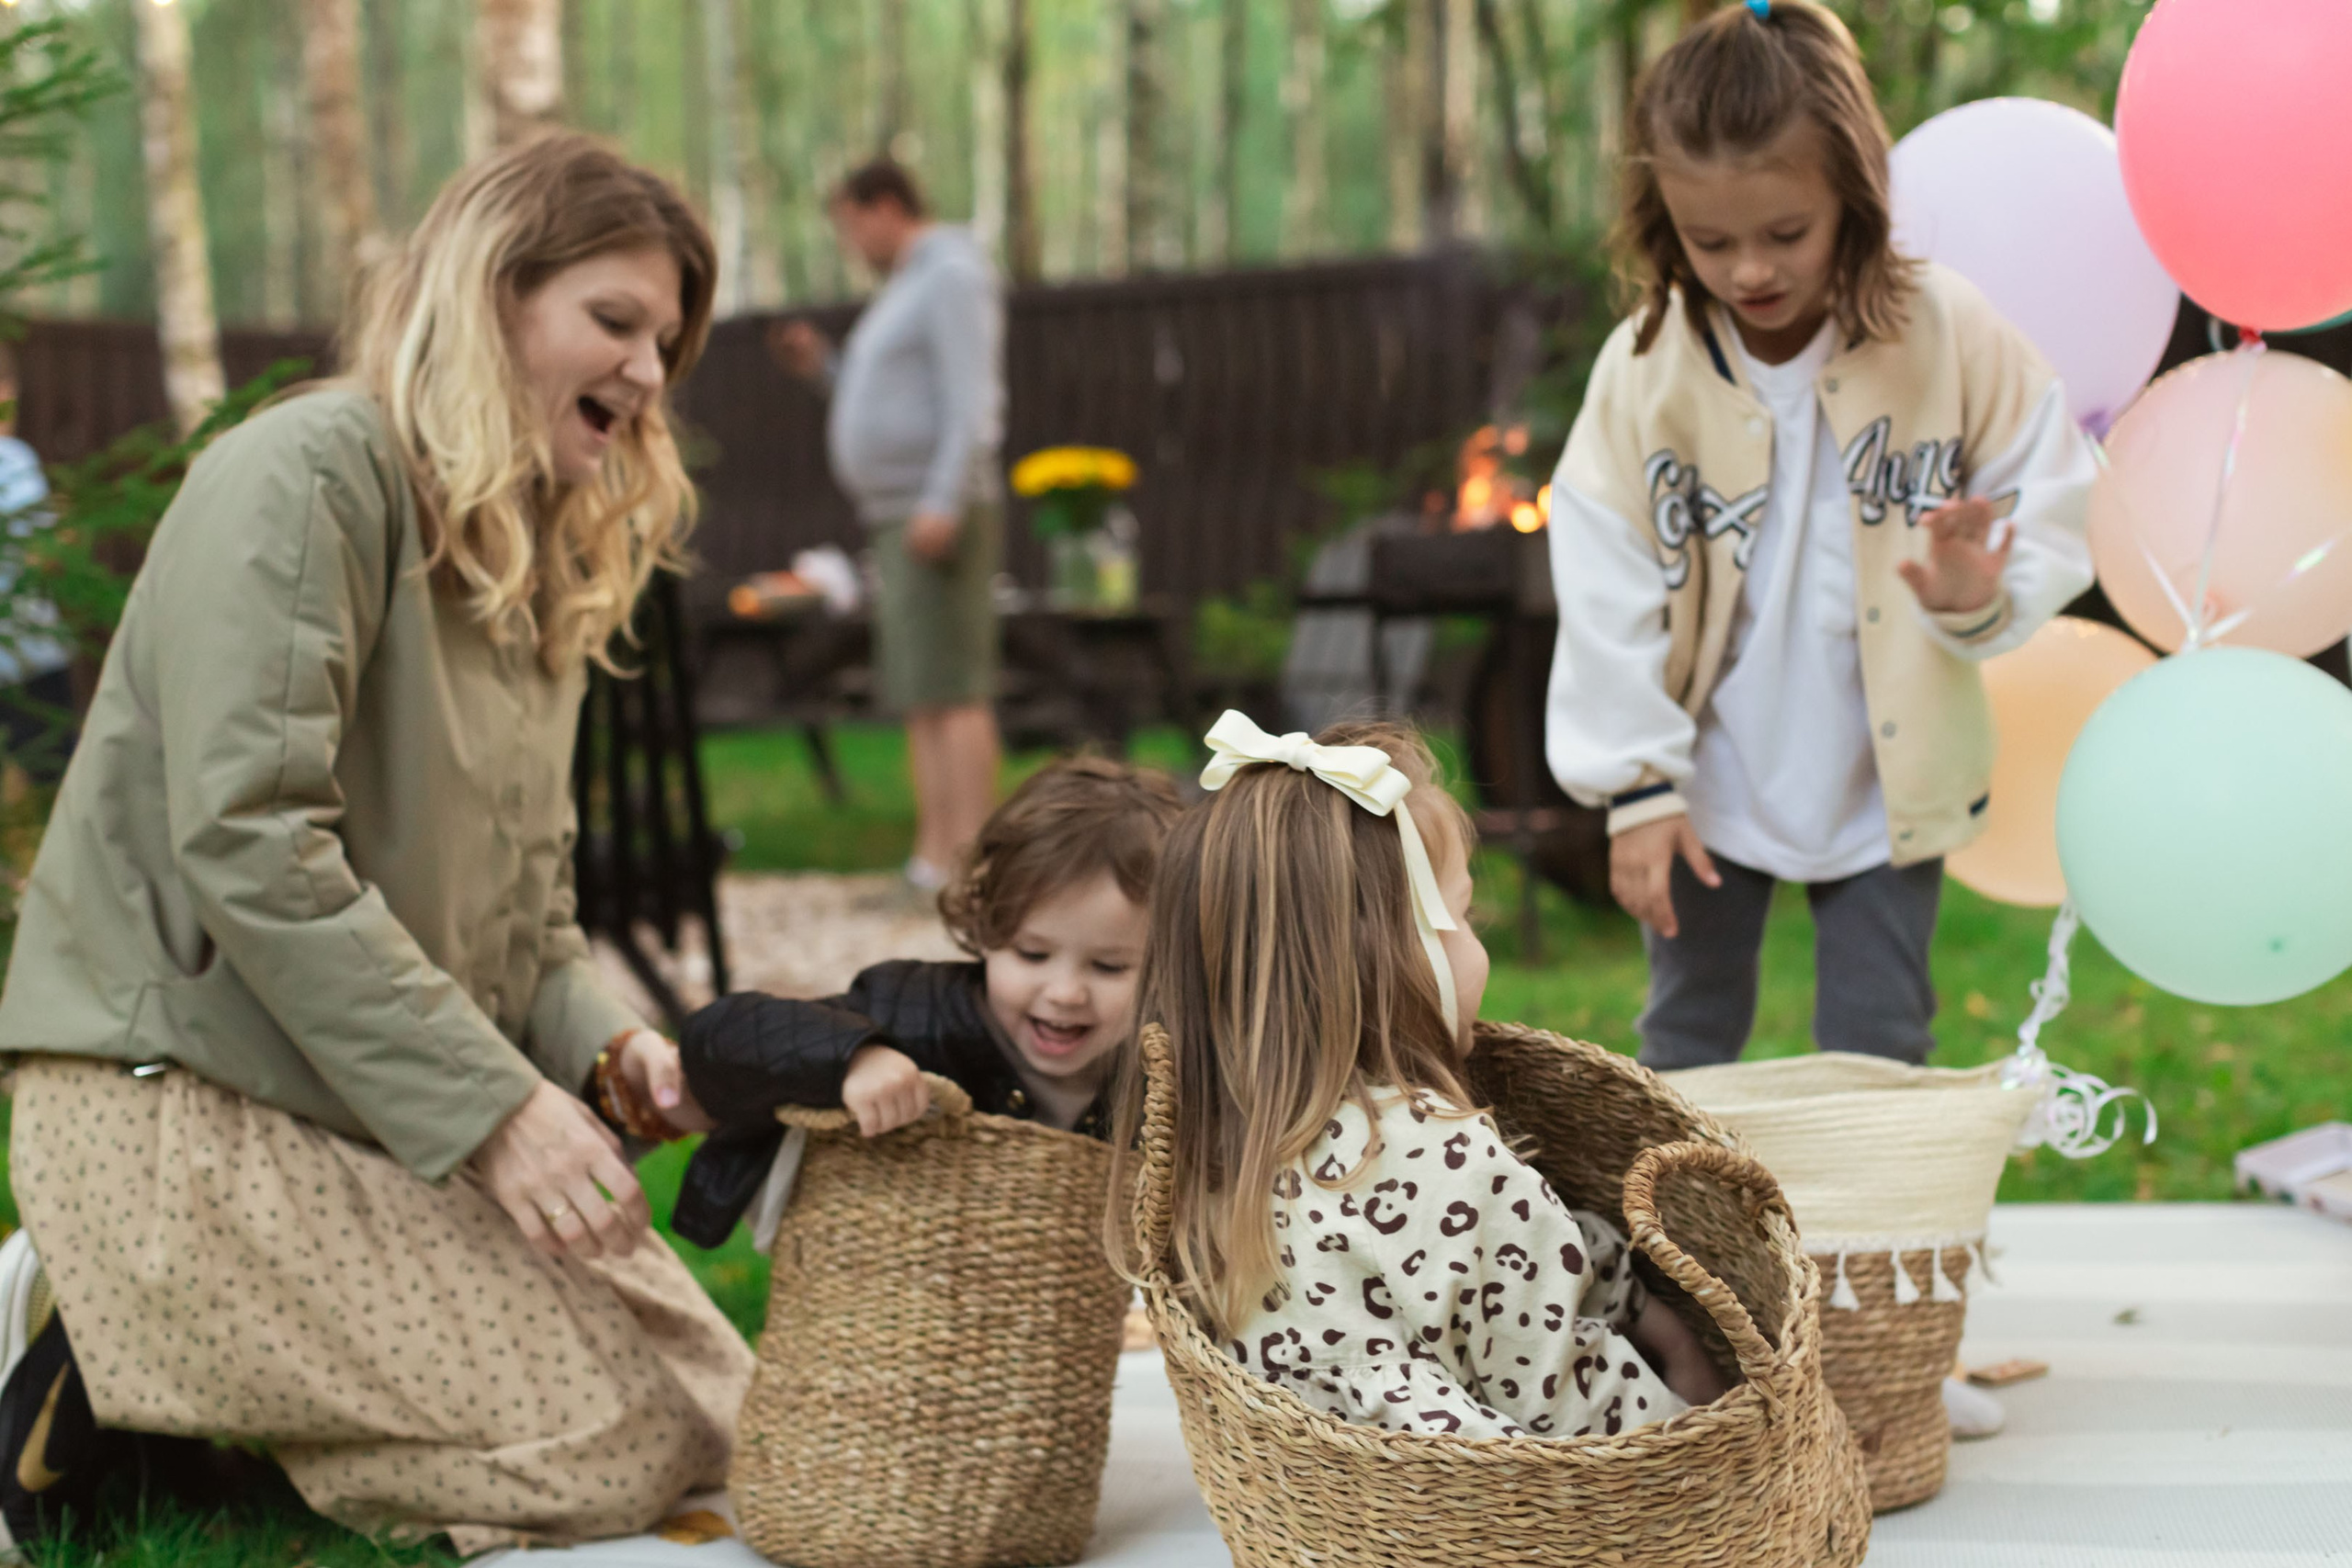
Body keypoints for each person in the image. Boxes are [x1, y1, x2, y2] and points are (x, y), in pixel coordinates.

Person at [0, 135, 755, 1555]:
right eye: (615, 321)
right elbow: (251, 841)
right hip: (168, 1095)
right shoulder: (308, 473)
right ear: (493, 296)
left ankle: (155, 1355)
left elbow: (531, 925)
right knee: (609, 1446)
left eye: (666, 340)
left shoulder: (536, 554)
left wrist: (610, 1055)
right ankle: (81, 1320)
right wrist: (497, 1111)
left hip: (364, 1100)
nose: (651, 372)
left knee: (726, 1408)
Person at [1544, 0, 2094, 1076]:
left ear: (1850, 193)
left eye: (1783, 234)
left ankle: (1880, 1248)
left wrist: (1977, 591)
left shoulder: (1946, 330)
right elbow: (1602, 580)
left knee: (1883, 1042)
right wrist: (1635, 787)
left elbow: (2052, 491)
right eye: (1711, 241)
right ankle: (1676, 1241)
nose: (1749, 269)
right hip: (1704, 777)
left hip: (1881, 780)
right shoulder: (1644, 368)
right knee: (1685, 1040)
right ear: (1665, 219)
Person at [1107, 715, 1726, 1441]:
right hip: (1488, 1512)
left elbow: (1529, 1262)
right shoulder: (1445, 1154)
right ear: (1393, 961)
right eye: (1465, 918)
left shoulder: (1216, 1143)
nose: (1480, 949)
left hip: (1314, 1503)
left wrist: (1639, 1309)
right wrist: (1703, 1428)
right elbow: (1566, 1396)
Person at [669, 755, 1182, 1248]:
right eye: (1032, 954)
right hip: (894, 1303)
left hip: (1069, 1316)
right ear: (984, 927)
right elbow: (718, 1036)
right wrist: (855, 1057)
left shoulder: (1162, 1066)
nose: (1066, 992)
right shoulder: (917, 1013)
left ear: (1167, 965)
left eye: (1110, 966)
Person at [772, 160, 1007, 896]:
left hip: (938, 511)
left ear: (886, 206)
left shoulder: (952, 275)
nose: (850, 242)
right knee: (921, 689)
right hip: (900, 515)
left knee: (956, 686)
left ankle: (973, 867)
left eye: (850, 224)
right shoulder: (907, 286)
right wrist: (824, 370)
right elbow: (892, 399)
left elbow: (974, 401)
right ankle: (932, 859)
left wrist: (944, 499)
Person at [0, 344, 76, 784]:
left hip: (31, 655)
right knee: (56, 785)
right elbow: (43, 556)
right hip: (30, 658)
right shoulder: (15, 460)